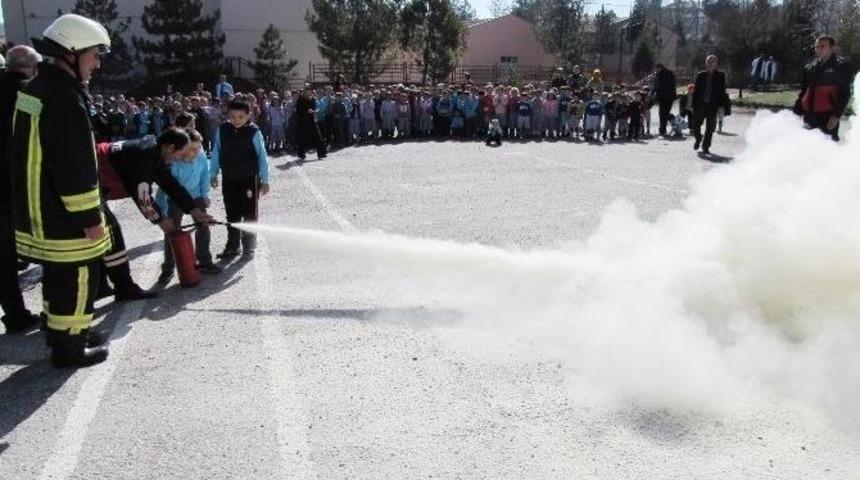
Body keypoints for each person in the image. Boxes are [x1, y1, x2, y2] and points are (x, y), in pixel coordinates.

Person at [13, 14, 114, 366]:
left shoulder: (35, 89)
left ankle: (62, 333)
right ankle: (70, 348)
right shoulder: (64, 99)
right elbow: (73, 164)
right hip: (64, 216)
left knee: (57, 277)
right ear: (72, 52)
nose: (97, 64)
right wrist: (89, 216)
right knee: (79, 276)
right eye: (94, 55)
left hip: (39, 208)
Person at [98, 128, 216, 298]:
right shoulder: (144, 157)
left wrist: (194, 210)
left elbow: (171, 185)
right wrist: (160, 219)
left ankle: (101, 286)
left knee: (104, 236)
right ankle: (122, 289)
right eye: (180, 153)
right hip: (89, 178)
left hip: (97, 181)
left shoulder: (155, 152)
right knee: (111, 233)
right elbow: (142, 196)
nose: (180, 158)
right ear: (170, 147)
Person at [0, 45, 43, 334]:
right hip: (17, 183)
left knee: (3, 258)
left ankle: (14, 315)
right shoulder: (26, 94)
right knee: (45, 247)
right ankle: (56, 312)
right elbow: (37, 132)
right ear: (33, 67)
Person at [155, 122, 220, 285]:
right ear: (182, 149)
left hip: (196, 196)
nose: (197, 153)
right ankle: (168, 267)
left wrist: (204, 195)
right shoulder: (173, 162)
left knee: (203, 226)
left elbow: (204, 175)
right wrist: (163, 210)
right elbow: (167, 188)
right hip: (176, 199)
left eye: (199, 148)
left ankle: (204, 261)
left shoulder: (201, 156)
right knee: (172, 231)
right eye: (192, 149)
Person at [209, 99, 271, 261]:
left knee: (249, 212)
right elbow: (216, 152)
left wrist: (265, 180)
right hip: (229, 178)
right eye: (233, 116)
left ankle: (249, 245)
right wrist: (213, 173)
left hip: (249, 178)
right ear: (228, 116)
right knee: (232, 213)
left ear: (248, 116)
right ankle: (233, 245)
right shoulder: (222, 130)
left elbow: (262, 157)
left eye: (241, 117)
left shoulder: (254, 132)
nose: (236, 120)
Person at [795, 35, 853, 142]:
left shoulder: (841, 66)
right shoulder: (809, 67)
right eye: (817, 47)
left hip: (828, 116)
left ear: (832, 48)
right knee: (806, 144)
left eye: (822, 46)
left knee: (829, 146)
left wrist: (836, 115)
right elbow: (804, 92)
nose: (818, 49)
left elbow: (845, 93)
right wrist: (797, 111)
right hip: (809, 115)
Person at [691, 55, 730, 155]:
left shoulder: (721, 76)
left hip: (713, 105)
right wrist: (693, 105)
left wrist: (721, 106)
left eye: (712, 62)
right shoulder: (700, 75)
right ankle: (698, 138)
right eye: (708, 61)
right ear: (706, 63)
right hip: (701, 104)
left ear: (716, 64)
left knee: (710, 128)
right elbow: (696, 91)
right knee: (695, 125)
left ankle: (705, 147)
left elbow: (722, 92)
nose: (710, 63)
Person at [294, 85, 327, 161]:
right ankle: (301, 155)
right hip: (303, 121)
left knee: (318, 137)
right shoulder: (300, 99)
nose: (308, 93)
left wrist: (313, 111)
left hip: (312, 120)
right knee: (302, 138)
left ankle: (321, 154)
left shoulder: (313, 99)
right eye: (306, 92)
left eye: (309, 92)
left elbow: (314, 108)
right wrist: (306, 111)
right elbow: (299, 110)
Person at [653, 63, 677, 136]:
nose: (656, 70)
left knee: (663, 114)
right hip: (670, 97)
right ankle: (665, 129)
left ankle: (663, 130)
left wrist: (655, 94)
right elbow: (673, 85)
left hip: (663, 97)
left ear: (659, 68)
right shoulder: (670, 74)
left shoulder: (660, 75)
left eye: (656, 69)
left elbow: (657, 86)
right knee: (665, 113)